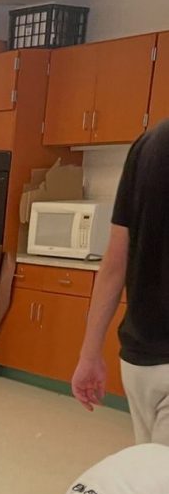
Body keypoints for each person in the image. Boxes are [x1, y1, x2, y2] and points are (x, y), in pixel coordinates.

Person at [72, 119, 169, 444]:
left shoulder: (147, 145)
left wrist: (89, 353)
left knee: (152, 480)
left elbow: (114, 261)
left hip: (141, 363)